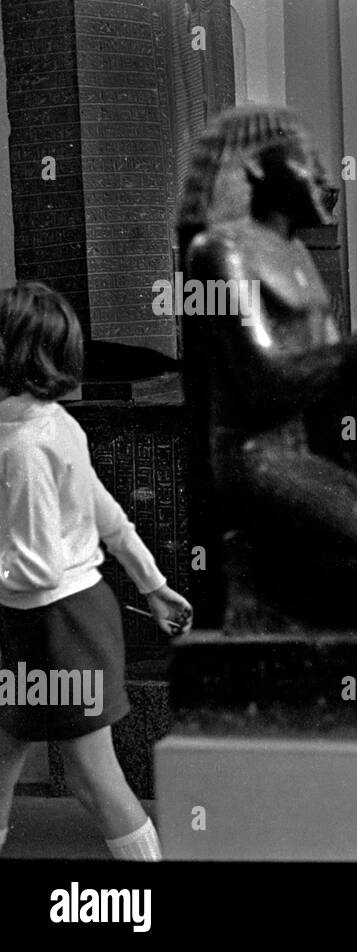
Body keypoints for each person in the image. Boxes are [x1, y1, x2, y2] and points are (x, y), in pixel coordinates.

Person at [0, 282, 193, 860]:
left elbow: (36, 568)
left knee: (92, 776)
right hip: (53, 620)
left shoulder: (24, 446)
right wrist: (154, 586)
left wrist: (153, 584)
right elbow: (108, 512)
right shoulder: (53, 423)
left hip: (57, 626)